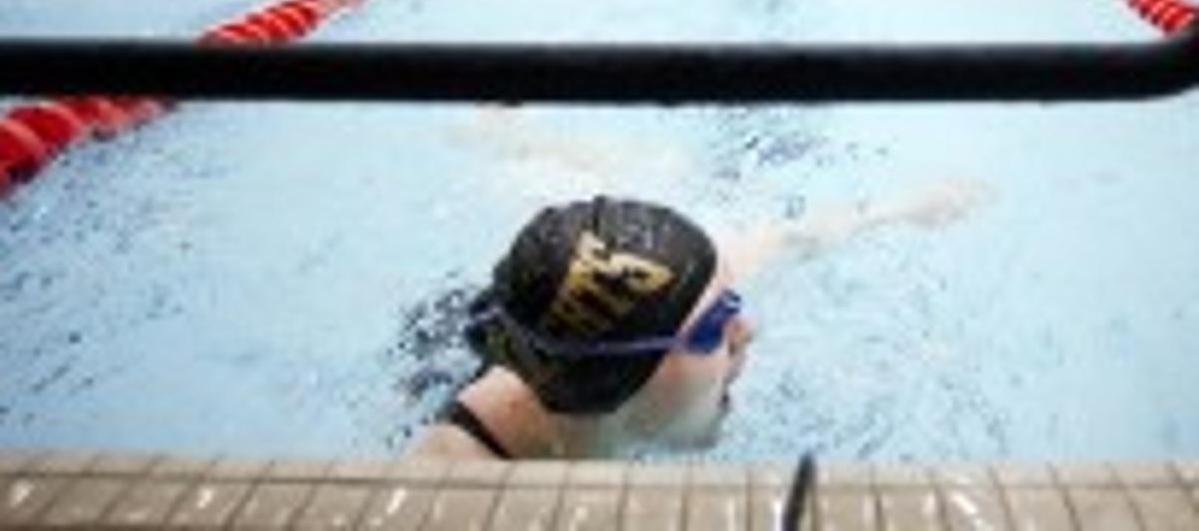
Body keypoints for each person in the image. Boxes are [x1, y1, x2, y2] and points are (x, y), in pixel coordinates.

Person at [405, 183, 988, 460]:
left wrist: (895, 210)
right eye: (715, 327)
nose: (748, 332)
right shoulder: (456, 477)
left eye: (732, 303)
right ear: (619, 382)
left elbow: (782, 238)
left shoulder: (651, 306)